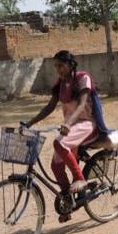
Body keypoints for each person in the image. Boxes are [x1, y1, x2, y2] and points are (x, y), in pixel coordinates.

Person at [25, 50, 101, 223]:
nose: (58, 69)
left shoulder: (83, 78)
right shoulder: (60, 84)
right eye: (56, 66)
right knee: (56, 165)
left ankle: (80, 179)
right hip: (71, 127)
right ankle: (68, 203)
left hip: (87, 124)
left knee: (59, 143)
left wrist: (68, 124)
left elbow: (82, 105)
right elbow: (49, 107)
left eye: (61, 65)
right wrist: (30, 123)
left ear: (70, 64)